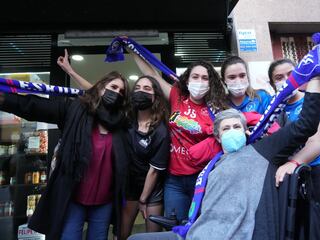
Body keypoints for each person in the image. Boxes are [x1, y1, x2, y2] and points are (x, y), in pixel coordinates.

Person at [127, 75, 320, 240]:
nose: (232, 131)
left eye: (237, 127)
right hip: (198, 232)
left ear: (246, 131)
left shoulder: (263, 150)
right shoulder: (211, 166)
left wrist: (316, 77)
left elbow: (306, 125)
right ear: (218, 136)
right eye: (226, 128)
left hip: (240, 233)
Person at [0, 70, 131, 240]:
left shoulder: (122, 124)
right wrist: (5, 99)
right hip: (73, 198)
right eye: (113, 87)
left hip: (104, 203)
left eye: (122, 92)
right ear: (99, 88)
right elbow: (35, 107)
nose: (117, 93)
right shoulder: (75, 109)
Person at [57, 50, 170, 239]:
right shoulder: (125, 118)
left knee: (153, 237)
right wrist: (70, 71)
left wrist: (144, 199)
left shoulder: (161, 129)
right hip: (128, 186)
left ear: (155, 97)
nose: (142, 91)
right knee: (121, 234)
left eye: (148, 89)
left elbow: (154, 170)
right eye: (138, 88)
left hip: (152, 189)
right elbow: (95, 91)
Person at [127, 48, 228, 222]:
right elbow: (152, 74)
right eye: (195, 77)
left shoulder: (215, 110)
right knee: (175, 228)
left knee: (201, 226)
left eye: (205, 78)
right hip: (174, 181)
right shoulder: (177, 96)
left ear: (211, 83)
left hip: (202, 178)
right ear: (187, 80)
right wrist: (131, 49)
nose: (200, 81)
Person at [268, 58, 320, 233]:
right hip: (283, 178)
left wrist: (293, 163)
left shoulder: (314, 102)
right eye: (279, 77)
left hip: (312, 174)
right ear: (272, 83)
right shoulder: (273, 109)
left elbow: (315, 143)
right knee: (293, 229)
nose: (286, 79)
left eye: (290, 74)